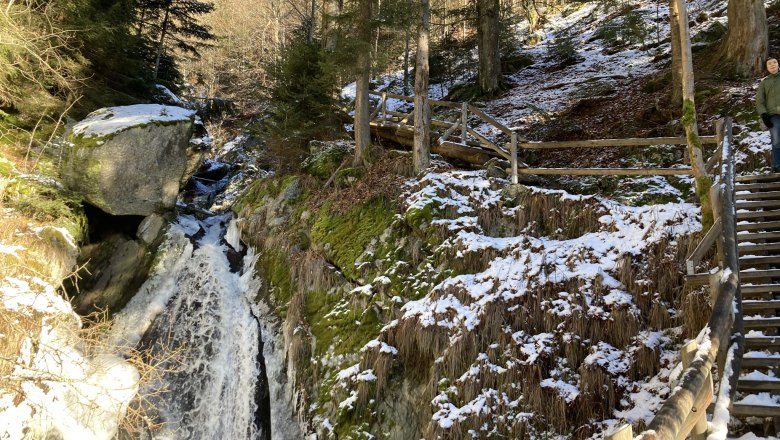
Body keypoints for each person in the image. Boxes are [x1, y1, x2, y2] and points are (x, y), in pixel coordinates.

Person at [756, 57, 780, 172]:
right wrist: (764, 115)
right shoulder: (764, 83)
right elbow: (760, 101)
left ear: (778, 64)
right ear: (767, 67)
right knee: (776, 141)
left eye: (774, 62)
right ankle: (777, 166)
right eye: (769, 64)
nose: (772, 65)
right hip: (773, 116)